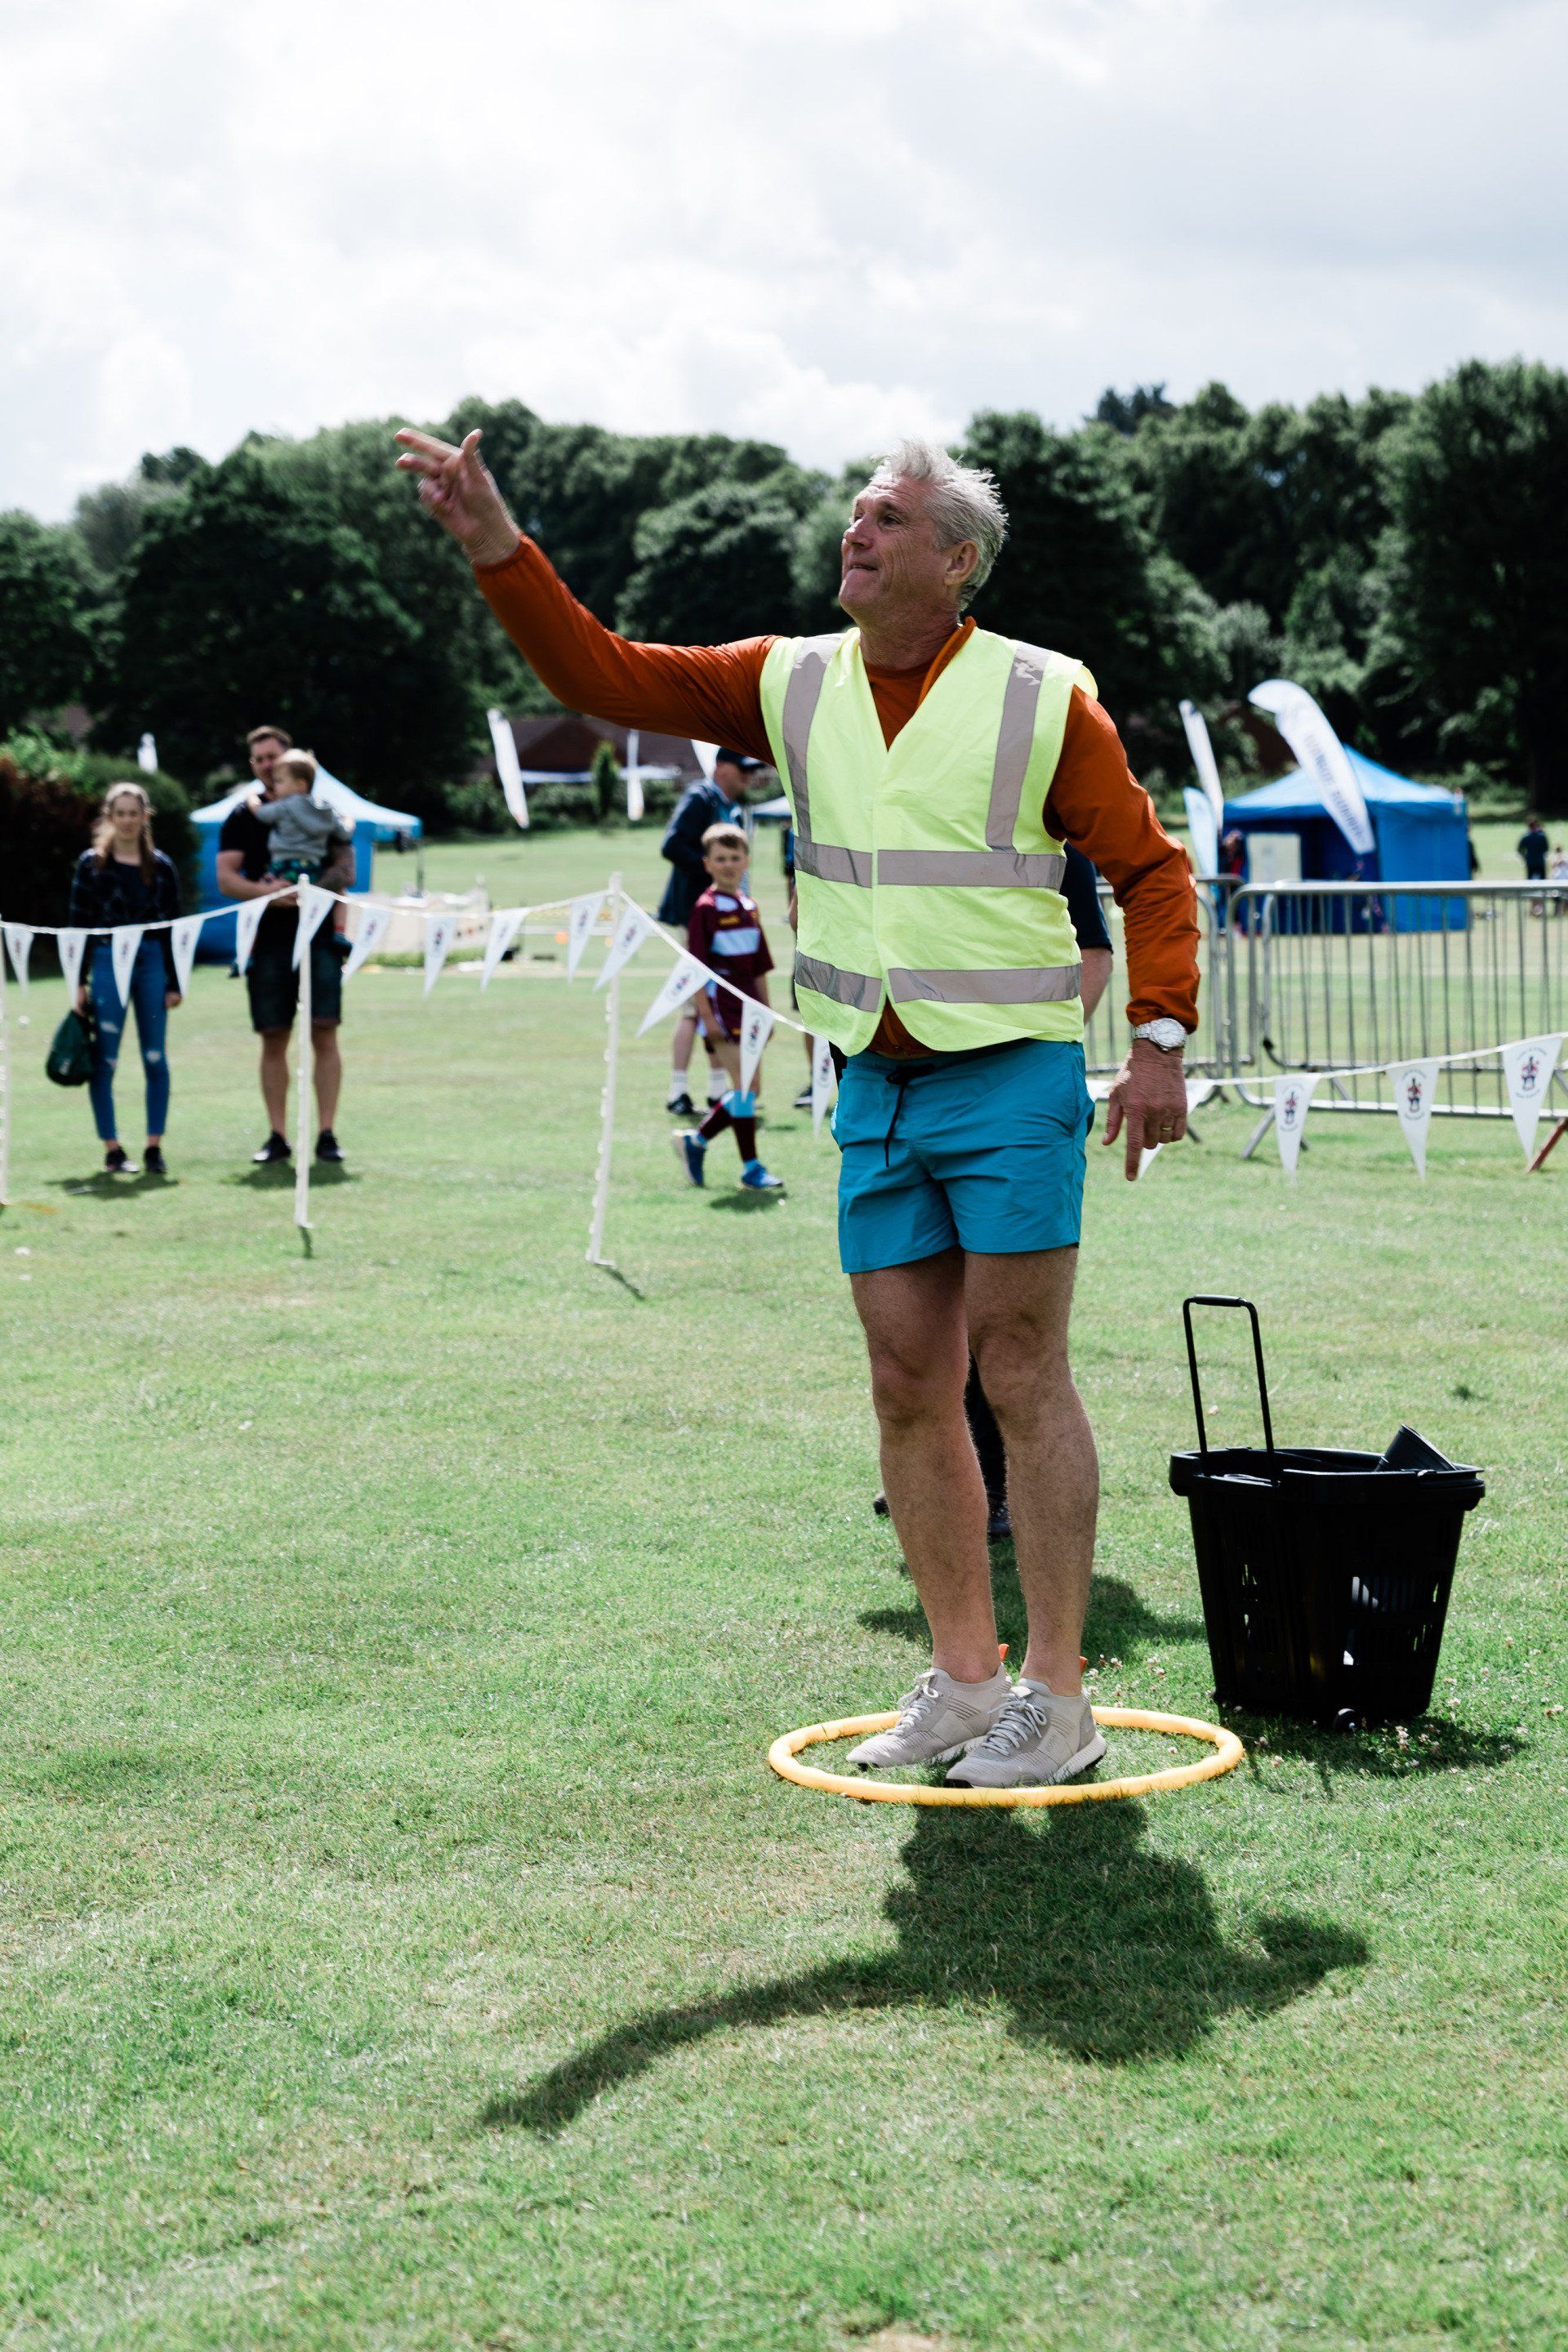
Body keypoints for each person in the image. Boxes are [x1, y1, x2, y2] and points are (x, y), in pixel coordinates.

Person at [396, 424, 1199, 1791]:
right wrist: (491, 542)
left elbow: (1150, 870)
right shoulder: (788, 680)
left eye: (885, 518)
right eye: (853, 515)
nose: (855, 532)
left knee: (1019, 1374)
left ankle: (1058, 1701)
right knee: (905, 1388)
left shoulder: (1042, 695)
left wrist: (1161, 1043)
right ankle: (963, 1680)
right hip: (873, 1083)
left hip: (1008, 1073)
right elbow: (599, 673)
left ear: (957, 561)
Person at [216, 724, 355, 1166]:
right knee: (273, 1036)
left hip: (318, 935)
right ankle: (277, 1135)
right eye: (258, 759)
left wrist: (312, 890)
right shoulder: (244, 815)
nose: (265, 765)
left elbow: (346, 868)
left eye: (272, 757)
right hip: (266, 937)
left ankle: (327, 1134)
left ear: (288, 758)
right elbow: (225, 877)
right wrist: (269, 895)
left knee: (324, 1031)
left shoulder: (320, 807)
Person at [69, 782, 183, 1178]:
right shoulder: (91, 865)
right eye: (121, 813)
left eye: (135, 813)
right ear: (110, 817)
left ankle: (154, 1147)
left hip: (152, 961)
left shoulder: (162, 867)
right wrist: (77, 983)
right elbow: (78, 926)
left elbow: (173, 929)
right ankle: (113, 1148)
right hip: (105, 960)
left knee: (155, 1056)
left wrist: (175, 982)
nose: (128, 820)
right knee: (106, 1058)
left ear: (145, 817)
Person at [671, 822, 784, 1192]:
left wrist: (767, 1011)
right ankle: (751, 1168)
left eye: (735, 858)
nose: (728, 865)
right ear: (707, 864)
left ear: (747, 862)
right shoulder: (704, 909)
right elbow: (696, 972)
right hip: (721, 1008)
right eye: (720, 859)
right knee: (745, 1086)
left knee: (752, 1089)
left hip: (750, 1009)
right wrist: (706, 1015)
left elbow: (759, 968)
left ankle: (697, 1141)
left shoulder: (750, 907)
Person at [657, 750, 760, 1114]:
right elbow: (671, 844)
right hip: (700, 917)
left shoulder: (728, 804)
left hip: (724, 919)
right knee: (693, 1006)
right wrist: (715, 883)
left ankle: (718, 1092)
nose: (748, 776)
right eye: (742, 768)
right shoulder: (701, 798)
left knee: (718, 1003)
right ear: (720, 768)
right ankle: (678, 1091)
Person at [245, 748, 350, 935]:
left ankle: (250, 947)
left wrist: (252, 799)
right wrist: (349, 822)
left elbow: (262, 814)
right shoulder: (326, 809)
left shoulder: (284, 805)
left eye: (279, 781)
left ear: (300, 785)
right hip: (313, 871)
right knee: (340, 894)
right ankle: (340, 932)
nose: (275, 786)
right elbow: (343, 834)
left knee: (259, 898)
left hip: (282, 869)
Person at [1518, 815, 1548, 883]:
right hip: (1540, 860)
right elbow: (1546, 849)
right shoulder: (1542, 836)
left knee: (1529, 881)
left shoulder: (1526, 836)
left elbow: (1519, 849)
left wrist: (1524, 857)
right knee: (1543, 881)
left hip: (1530, 861)